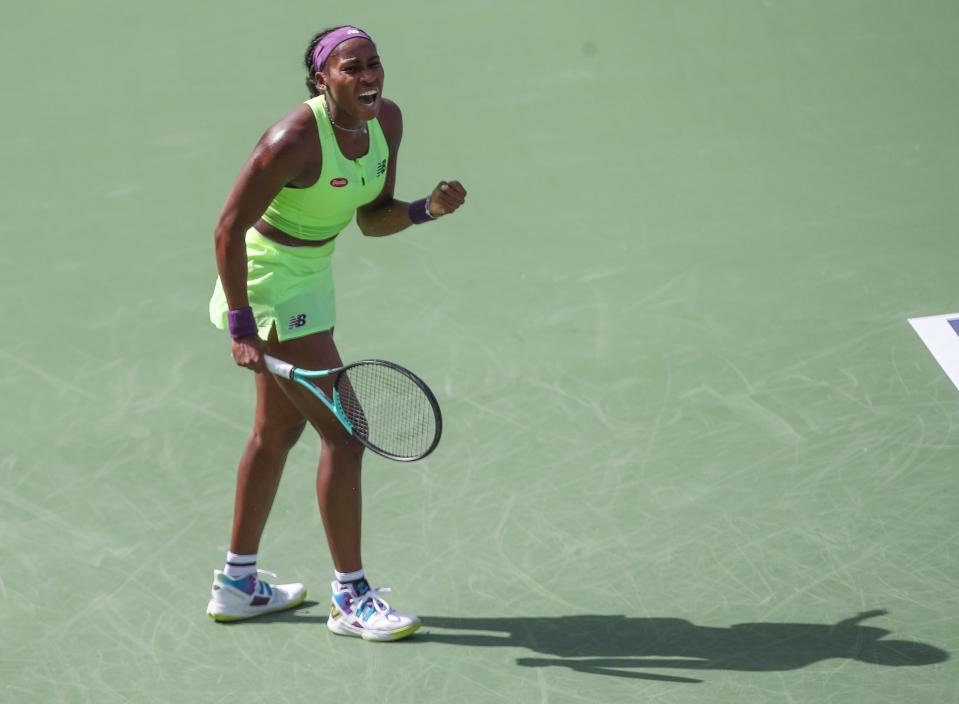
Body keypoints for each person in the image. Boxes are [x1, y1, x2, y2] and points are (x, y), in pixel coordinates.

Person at [205, 25, 467, 642]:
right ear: (323, 79)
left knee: (276, 433)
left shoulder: (387, 122)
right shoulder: (293, 139)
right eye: (353, 68)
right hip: (269, 282)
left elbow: (373, 220)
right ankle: (351, 596)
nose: (369, 76)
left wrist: (427, 208)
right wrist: (242, 325)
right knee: (347, 436)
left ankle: (238, 584)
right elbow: (226, 228)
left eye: (374, 64)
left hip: (313, 273)